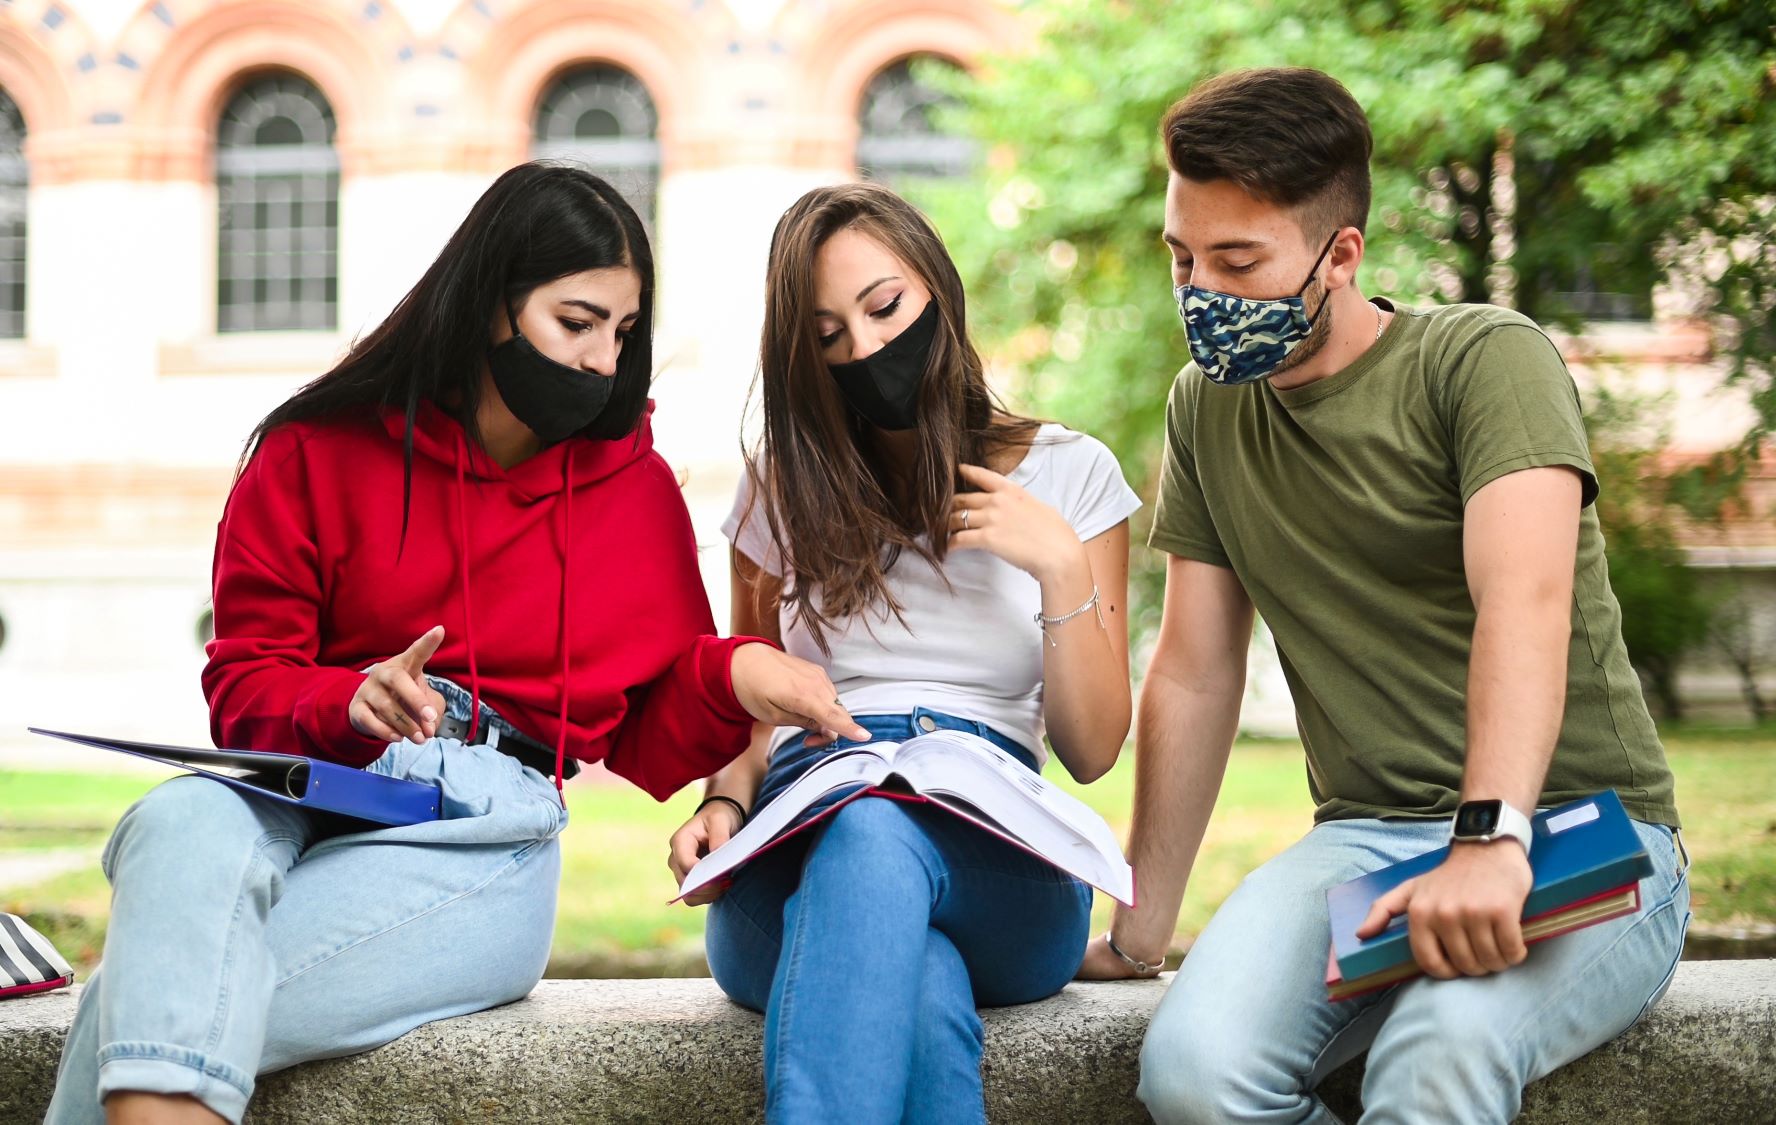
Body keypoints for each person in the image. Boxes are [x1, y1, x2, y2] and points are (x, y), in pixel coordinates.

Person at [47, 163, 862, 1125]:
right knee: (179, 822)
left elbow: (643, 729)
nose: (605, 360)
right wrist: (346, 700)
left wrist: (736, 671)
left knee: (137, 1004)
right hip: (304, 786)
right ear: (491, 308)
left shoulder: (631, 491)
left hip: (487, 827)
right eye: (577, 320)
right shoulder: (315, 449)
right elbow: (243, 685)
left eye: (623, 330)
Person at [1080, 68, 1689, 1124]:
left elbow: (1526, 604)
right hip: (1364, 838)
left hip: (1578, 832)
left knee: (1434, 1057)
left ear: (1341, 256)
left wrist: (1491, 843)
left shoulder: (1485, 360)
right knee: (1196, 1079)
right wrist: (1144, 922)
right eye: (1183, 258)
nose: (1200, 294)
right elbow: (1193, 667)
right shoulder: (1206, 410)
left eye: (1236, 262)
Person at [665, 182, 1142, 1123]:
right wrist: (722, 796)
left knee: (877, 834)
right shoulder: (782, 488)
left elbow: (1091, 748)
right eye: (829, 337)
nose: (868, 349)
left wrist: (1056, 563)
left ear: (937, 284)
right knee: (911, 965)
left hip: (1003, 865)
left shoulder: (1070, 472)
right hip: (797, 855)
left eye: (884, 307)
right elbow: (749, 700)